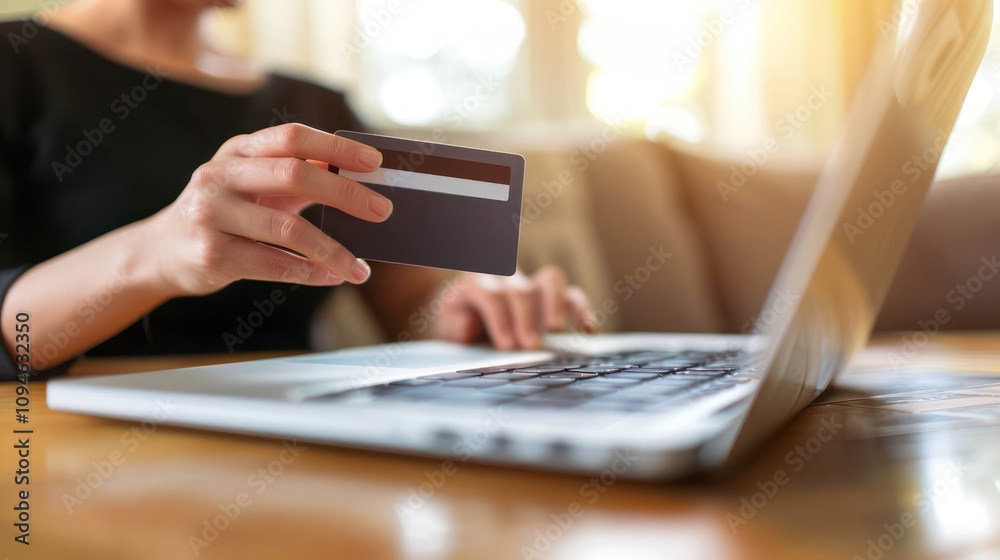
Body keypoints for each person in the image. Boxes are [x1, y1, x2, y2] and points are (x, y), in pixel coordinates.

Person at [0, 0, 596, 380]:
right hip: (75, 447)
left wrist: (465, 304)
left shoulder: (316, 104)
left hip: (303, 436)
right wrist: (159, 252)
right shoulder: (16, 65)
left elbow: (404, 300)